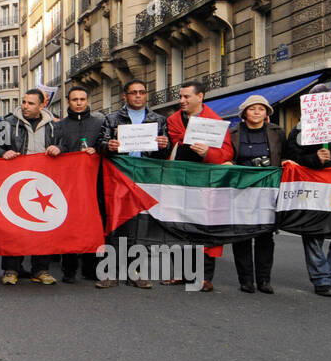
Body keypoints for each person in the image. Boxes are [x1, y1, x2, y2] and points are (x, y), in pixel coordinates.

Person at [97, 79, 171, 288]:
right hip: (119, 178)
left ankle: (135, 272)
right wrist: (108, 145)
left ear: (146, 95)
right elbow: (100, 144)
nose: (138, 96)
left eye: (142, 92)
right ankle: (110, 272)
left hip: (145, 178)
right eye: (133, 93)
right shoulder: (111, 119)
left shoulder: (158, 119)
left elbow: (165, 152)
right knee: (115, 224)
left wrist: (165, 145)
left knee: (140, 228)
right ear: (125, 96)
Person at [163, 80, 233, 292]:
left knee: (203, 228)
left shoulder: (215, 120)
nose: (182, 100)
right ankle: (180, 273)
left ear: (200, 96)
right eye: (180, 96)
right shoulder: (173, 119)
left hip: (204, 184)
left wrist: (208, 153)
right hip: (178, 182)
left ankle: (203, 277)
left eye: (186, 97)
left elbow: (227, 153)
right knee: (177, 226)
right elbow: (173, 145)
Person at [284, 85, 331, 297]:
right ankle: (321, 279)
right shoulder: (301, 130)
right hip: (315, 189)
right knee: (314, 234)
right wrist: (314, 160)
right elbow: (292, 159)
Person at [0, 89, 60, 285]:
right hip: (17, 182)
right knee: (15, 227)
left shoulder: (55, 126)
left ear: (42, 105)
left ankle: (40, 269)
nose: (25, 106)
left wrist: (59, 149)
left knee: (43, 228)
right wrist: (4, 152)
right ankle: (11, 269)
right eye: (24, 102)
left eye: (31, 103)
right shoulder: (7, 123)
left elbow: (63, 146)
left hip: (44, 186)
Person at [50, 84, 106, 283]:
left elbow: (105, 144)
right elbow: (57, 146)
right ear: (68, 102)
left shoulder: (100, 123)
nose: (79, 103)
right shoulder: (60, 125)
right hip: (69, 185)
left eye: (82, 99)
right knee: (70, 226)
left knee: (92, 225)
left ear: (87, 100)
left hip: (94, 183)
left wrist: (98, 149)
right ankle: (69, 270)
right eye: (75, 100)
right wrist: (56, 148)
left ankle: (91, 269)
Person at [228, 95, 283, 294]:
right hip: (240, 190)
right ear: (244, 113)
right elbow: (226, 155)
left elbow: (286, 154)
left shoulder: (277, 132)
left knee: (265, 236)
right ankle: (246, 280)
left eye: (262, 108)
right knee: (241, 235)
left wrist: (288, 161)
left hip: (268, 191)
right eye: (252, 109)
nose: (257, 112)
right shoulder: (233, 133)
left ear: (267, 113)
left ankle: (264, 280)